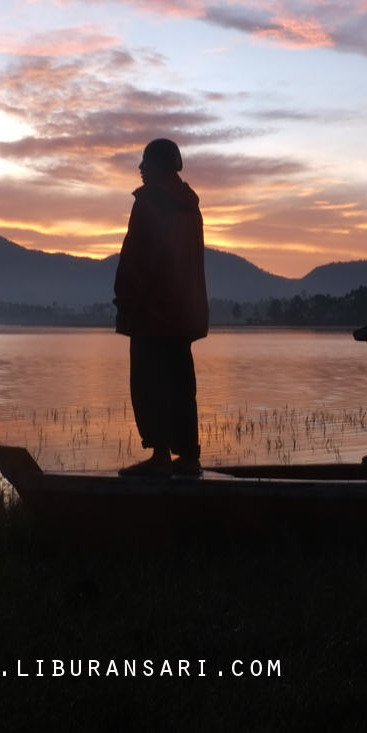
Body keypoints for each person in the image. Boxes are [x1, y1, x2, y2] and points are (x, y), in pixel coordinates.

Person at [114, 138, 208, 478]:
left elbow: (139, 257)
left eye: (145, 162)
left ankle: (159, 456)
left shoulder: (151, 201)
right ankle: (189, 456)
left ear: (159, 166)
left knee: (149, 382)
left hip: (152, 310)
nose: (140, 168)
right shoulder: (189, 206)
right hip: (182, 310)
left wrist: (125, 297)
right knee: (182, 384)